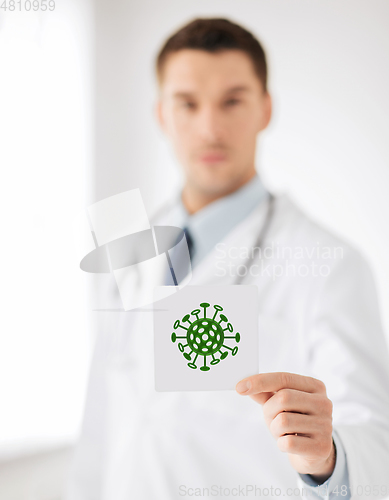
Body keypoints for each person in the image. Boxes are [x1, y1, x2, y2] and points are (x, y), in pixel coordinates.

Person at [67, 18, 389, 500]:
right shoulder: (129, 249)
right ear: (161, 114)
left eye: (232, 101)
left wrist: (327, 458)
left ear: (265, 109)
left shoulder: (328, 265)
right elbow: (102, 421)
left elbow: (375, 444)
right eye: (188, 103)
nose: (210, 128)